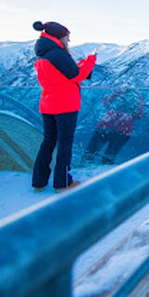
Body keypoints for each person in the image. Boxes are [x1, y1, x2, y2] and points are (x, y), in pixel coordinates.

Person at [31, 20, 96, 191]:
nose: (69, 41)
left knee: (48, 142)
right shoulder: (58, 54)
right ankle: (62, 182)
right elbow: (76, 75)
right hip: (65, 105)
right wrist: (91, 60)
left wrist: (81, 64)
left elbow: (64, 73)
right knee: (65, 143)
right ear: (60, 37)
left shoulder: (43, 53)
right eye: (67, 37)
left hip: (48, 104)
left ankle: (39, 181)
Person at [83, 90, 145, 164]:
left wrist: (138, 97)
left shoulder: (134, 98)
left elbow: (140, 114)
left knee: (104, 155)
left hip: (114, 130)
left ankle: (100, 169)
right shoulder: (122, 97)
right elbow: (105, 101)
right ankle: (88, 165)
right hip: (114, 130)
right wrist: (120, 92)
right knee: (92, 152)